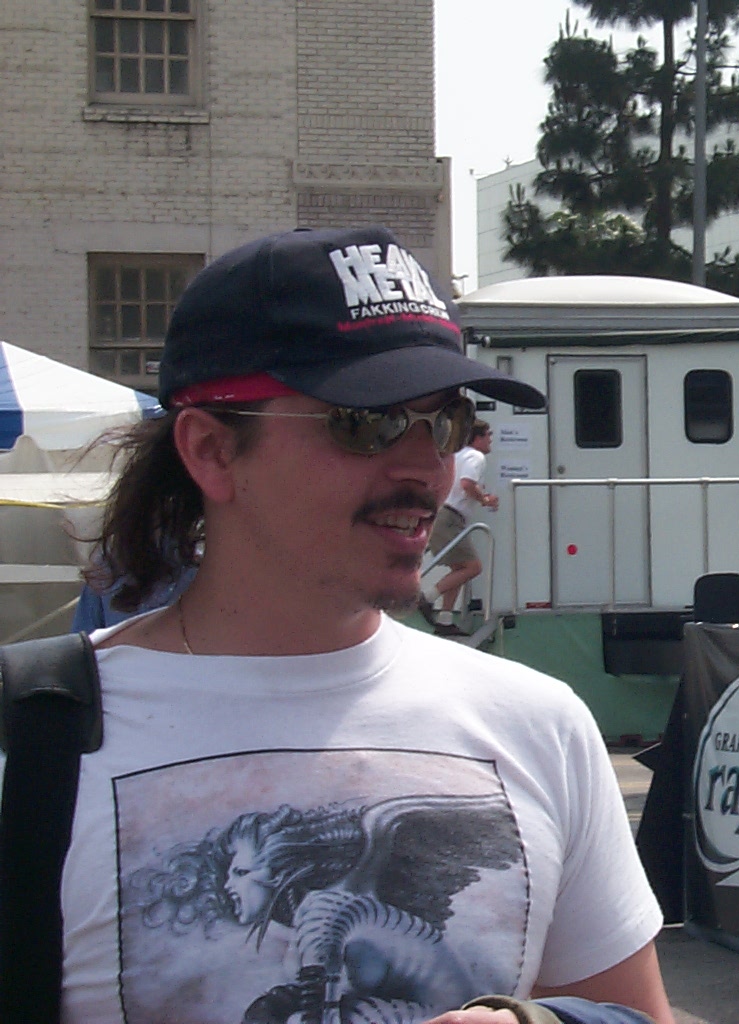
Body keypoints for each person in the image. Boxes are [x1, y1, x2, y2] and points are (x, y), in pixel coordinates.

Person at [3, 226, 673, 1024]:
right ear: (212, 450)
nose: (424, 467)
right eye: (367, 422)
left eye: (445, 422)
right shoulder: (34, 734)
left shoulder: (537, 724)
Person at [420, 418, 498, 636]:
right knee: (473, 567)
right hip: (450, 517)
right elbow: (467, 484)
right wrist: (485, 500)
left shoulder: (457, 455)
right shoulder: (476, 456)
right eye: (488, 435)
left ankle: (445, 621)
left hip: (443, 514)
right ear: (477, 438)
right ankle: (426, 598)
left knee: (459, 570)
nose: (491, 440)